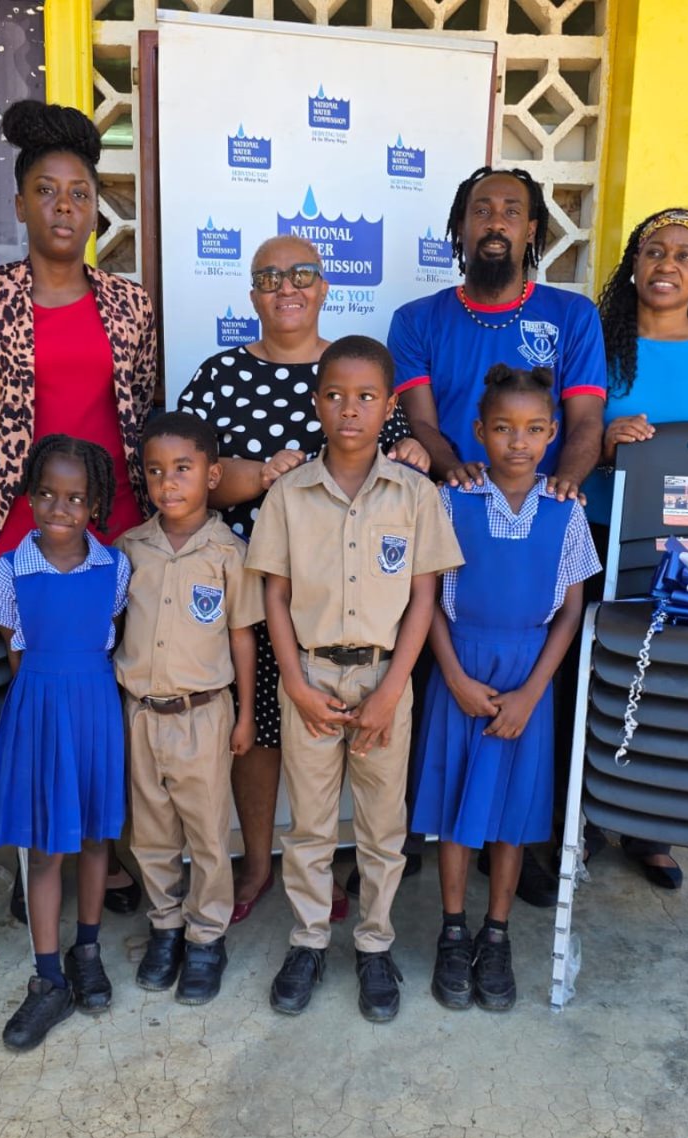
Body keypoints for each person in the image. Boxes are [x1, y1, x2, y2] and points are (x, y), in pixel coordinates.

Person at [0, 97, 155, 916]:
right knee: (34, 693)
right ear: (19, 203)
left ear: (96, 209)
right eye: (46, 191)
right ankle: (37, 853)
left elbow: (139, 406)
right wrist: (13, 487)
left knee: (104, 689)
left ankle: (106, 849)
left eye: (79, 194)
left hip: (114, 526)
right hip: (20, 525)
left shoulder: (130, 305)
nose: (64, 207)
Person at [179, 234, 429, 923]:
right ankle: (260, 865)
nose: (285, 287)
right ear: (251, 294)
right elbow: (186, 472)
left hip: (336, 599)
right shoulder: (220, 374)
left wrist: (414, 447)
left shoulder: (351, 367)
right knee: (257, 728)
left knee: (334, 730)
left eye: (301, 274)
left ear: (324, 287)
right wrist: (260, 475)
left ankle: (324, 874)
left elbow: (396, 454)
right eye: (268, 277)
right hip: (244, 585)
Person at [387, 165, 607, 908]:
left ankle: (520, 844)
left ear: (533, 229)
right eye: (481, 210)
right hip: (450, 519)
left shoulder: (571, 316)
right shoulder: (418, 319)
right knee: (437, 687)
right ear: (460, 227)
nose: (496, 221)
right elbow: (421, 423)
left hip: (537, 524)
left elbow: (584, 423)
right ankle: (417, 834)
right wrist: (458, 472)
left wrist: (561, 489)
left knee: (534, 696)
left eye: (512, 210)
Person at [247, 336, 462, 1022]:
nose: (349, 409)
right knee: (310, 825)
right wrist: (296, 684)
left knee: (381, 825)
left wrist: (393, 689)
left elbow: (424, 597)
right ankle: (308, 941)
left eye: (366, 397)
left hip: (383, 678)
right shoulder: (288, 494)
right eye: (335, 395)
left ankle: (374, 944)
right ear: (317, 403)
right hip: (310, 676)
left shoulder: (415, 494)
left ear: (389, 406)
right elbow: (275, 595)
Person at [412, 365, 600, 1012]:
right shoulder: (451, 500)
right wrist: (453, 677)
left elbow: (571, 613)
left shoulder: (566, 511)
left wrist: (531, 694)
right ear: (478, 431)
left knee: (513, 817)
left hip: (528, 676)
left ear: (552, 433)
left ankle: (496, 934)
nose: (518, 442)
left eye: (533, 429)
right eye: (502, 428)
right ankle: (453, 930)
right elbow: (428, 603)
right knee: (456, 811)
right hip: (461, 666)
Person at [582, 207, 688, 890]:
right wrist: (605, 441)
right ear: (633, 264)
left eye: (686, 255)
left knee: (664, 678)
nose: (667, 265)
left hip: (687, 546)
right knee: (593, 672)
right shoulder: (599, 343)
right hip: (599, 530)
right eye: (655, 251)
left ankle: (649, 826)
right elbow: (566, 434)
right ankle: (583, 815)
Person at [0, 435, 129, 1051]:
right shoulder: (8, 570)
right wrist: (46, 701)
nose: (59, 508)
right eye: (46, 494)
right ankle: (48, 978)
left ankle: (85, 950)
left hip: (95, 708)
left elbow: (106, 634)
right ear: (29, 496)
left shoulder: (114, 567)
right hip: (40, 711)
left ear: (95, 503)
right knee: (44, 849)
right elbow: (15, 651)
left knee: (95, 837)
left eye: (75, 497)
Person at [115, 414, 264, 1005]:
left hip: (204, 714)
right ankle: (165, 927)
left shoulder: (229, 553)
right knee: (151, 833)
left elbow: (242, 638)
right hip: (140, 714)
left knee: (206, 834)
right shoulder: (130, 549)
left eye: (183, 469)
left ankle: (206, 937)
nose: (168, 482)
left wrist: (245, 714)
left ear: (212, 475)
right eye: (155, 471)